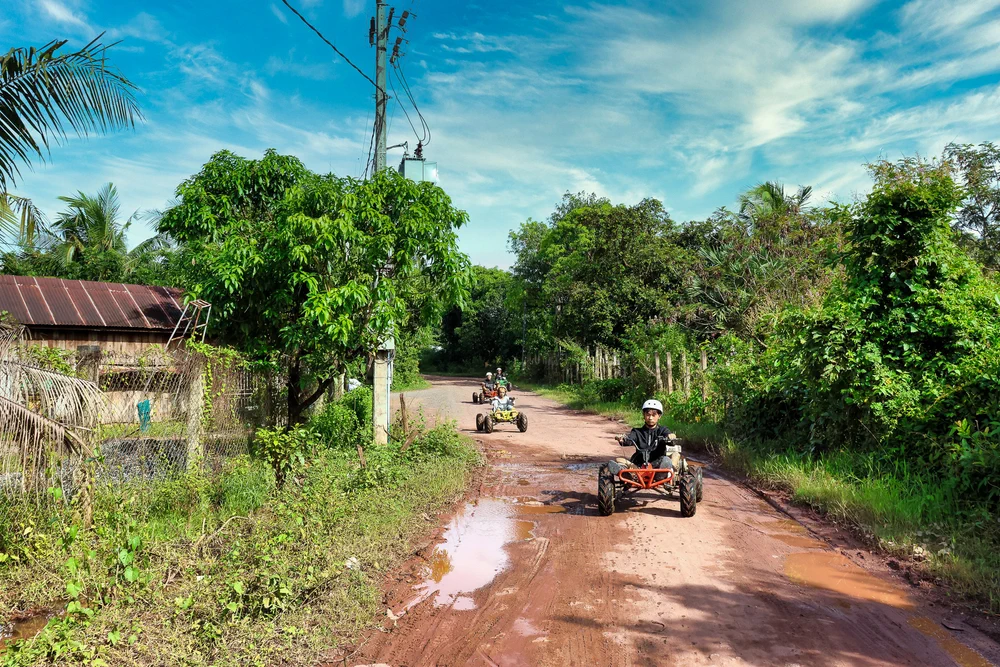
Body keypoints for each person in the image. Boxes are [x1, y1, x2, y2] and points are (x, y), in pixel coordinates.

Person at [608, 399, 676, 475]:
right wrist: (622, 439)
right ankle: (628, 475)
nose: (650, 418)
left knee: (666, 460)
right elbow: (630, 439)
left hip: (657, 465)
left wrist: (671, 436)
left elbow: (669, 437)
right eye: (648, 415)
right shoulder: (637, 431)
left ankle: (660, 476)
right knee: (618, 460)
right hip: (638, 464)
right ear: (643, 415)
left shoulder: (663, 430)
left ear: (659, 416)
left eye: (653, 415)